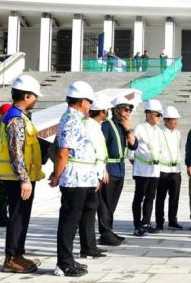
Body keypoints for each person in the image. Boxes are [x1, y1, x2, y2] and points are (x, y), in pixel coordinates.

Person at [49, 81, 97, 278]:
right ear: (82, 101)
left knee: (74, 220)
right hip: (74, 179)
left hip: (83, 178)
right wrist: (56, 175)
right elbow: (63, 153)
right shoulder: (70, 119)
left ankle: (68, 258)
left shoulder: (77, 119)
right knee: (69, 221)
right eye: (89, 102)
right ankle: (63, 262)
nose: (89, 107)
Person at [0, 75, 44, 273]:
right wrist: (24, 179)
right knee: (17, 217)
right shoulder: (16, 118)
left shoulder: (20, 116)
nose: (36, 100)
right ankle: (11, 258)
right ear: (26, 95)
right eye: (35, 96)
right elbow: (15, 150)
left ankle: (18, 254)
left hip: (23, 176)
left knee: (22, 217)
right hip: (18, 178)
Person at [97, 96, 139, 246]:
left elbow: (134, 146)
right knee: (105, 204)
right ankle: (105, 233)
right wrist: (102, 170)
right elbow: (100, 148)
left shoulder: (124, 126)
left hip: (120, 170)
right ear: (116, 111)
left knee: (112, 204)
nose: (128, 112)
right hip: (109, 169)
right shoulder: (107, 126)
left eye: (130, 110)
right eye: (125, 109)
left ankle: (109, 230)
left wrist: (128, 129)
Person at [82, 93, 111, 258]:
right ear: (101, 111)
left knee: (91, 211)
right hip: (90, 175)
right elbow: (90, 153)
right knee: (88, 212)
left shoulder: (95, 126)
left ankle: (90, 246)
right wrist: (96, 175)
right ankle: (88, 247)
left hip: (96, 172)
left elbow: (100, 152)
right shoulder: (89, 126)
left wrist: (103, 170)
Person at [130, 99, 164, 236]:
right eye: (158, 115)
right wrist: (138, 165)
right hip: (142, 170)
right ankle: (137, 225)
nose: (160, 118)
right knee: (139, 197)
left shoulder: (159, 131)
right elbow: (131, 152)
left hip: (155, 170)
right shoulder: (139, 128)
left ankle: (146, 222)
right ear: (149, 114)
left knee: (150, 197)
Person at [155, 106, 183, 231]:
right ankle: (159, 222)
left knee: (174, 197)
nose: (175, 122)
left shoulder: (177, 133)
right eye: (172, 120)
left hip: (175, 170)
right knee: (160, 197)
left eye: (176, 119)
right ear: (165, 120)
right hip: (163, 170)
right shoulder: (159, 132)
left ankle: (173, 220)